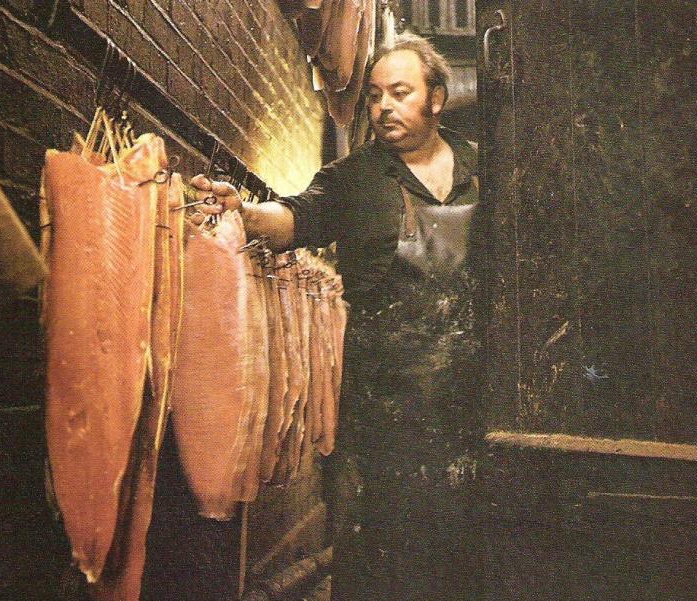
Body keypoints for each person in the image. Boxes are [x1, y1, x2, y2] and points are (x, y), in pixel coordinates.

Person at [191, 33, 485, 601]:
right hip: (381, 408)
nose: (382, 108)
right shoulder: (354, 177)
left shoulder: (485, 168)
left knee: (463, 557)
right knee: (378, 557)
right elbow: (297, 217)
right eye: (374, 96)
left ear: (437, 98)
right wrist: (245, 214)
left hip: (469, 396)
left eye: (399, 93)